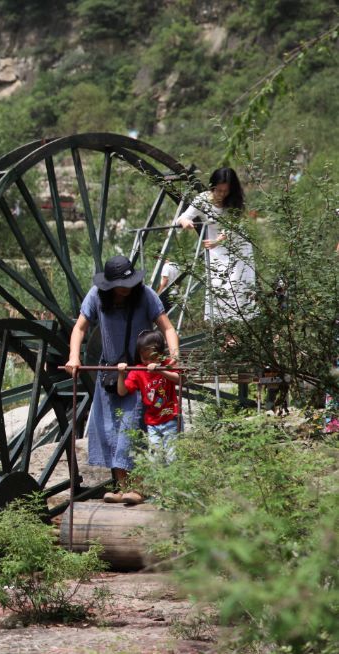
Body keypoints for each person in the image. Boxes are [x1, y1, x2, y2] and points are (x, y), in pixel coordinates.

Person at [65, 255, 179, 505]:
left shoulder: (146, 295)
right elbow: (80, 328)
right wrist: (74, 357)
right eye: (119, 285)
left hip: (139, 374)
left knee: (132, 428)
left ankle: (138, 489)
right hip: (109, 373)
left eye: (128, 284)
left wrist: (173, 358)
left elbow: (167, 328)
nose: (124, 290)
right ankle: (122, 488)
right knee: (110, 430)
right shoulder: (96, 296)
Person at [175, 167, 255, 322]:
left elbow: (234, 226)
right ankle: (224, 332)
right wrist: (186, 222)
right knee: (218, 285)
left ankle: (238, 330)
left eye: (225, 191)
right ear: (213, 186)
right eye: (218, 190)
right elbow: (182, 217)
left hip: (237, 246)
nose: (221, 194)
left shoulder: (235, 202)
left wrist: (217, 241)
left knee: (237, 285)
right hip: (216, 249)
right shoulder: (203, 199)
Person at [116, 329, 181, 474]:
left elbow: (181, 380)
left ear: (160, 354)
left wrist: (160, 370)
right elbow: (122, 391)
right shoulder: (138, 370)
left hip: (171, 417)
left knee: (172, 457)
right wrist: (121, 374)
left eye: (152, 358)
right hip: (152, 422)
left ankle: (175, 491)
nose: (148, 362)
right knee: (155, 459)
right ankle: (159, 491)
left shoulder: (167, 364)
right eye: (144, 358)